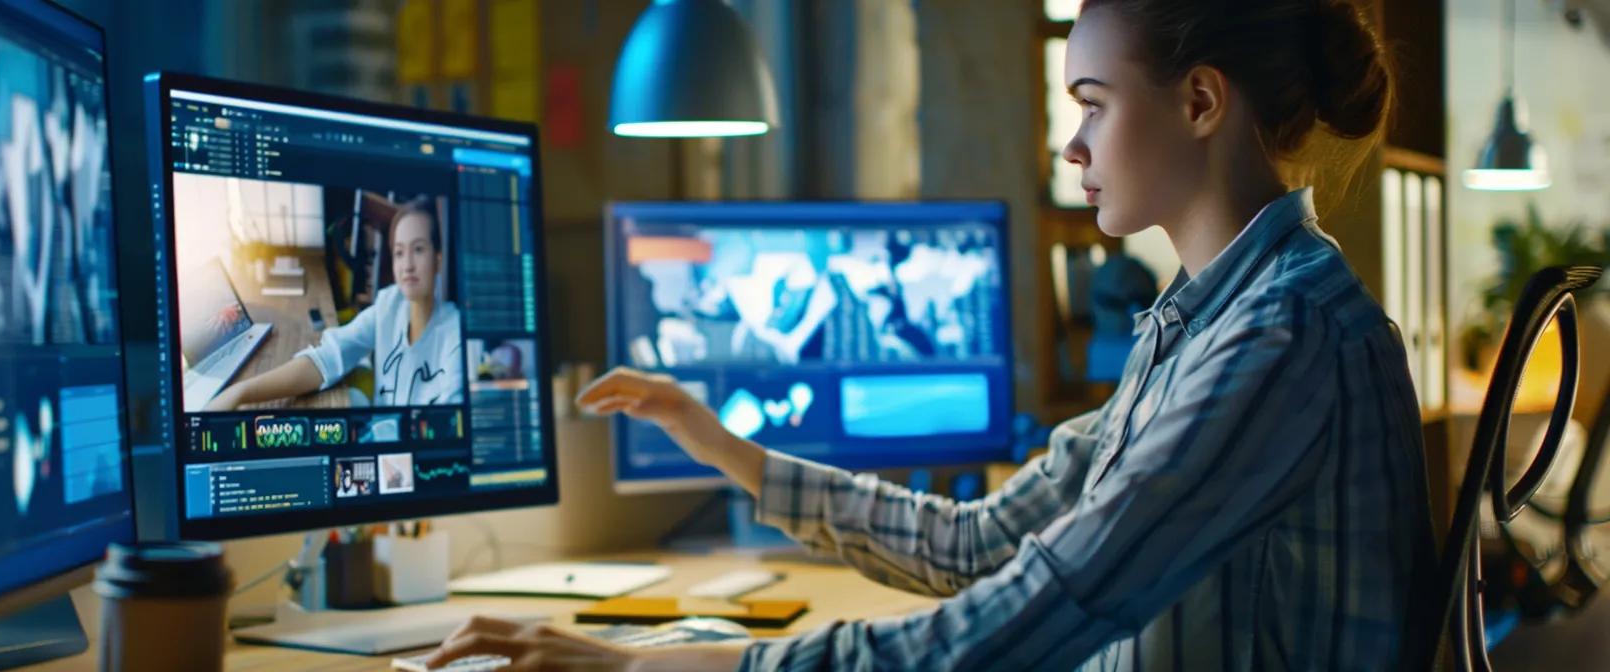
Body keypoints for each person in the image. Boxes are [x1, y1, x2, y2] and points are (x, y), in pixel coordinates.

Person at [426, 0, 1433, 670]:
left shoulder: (1281, 337)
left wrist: (674, 663)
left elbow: (1041, 610)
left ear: (1200, 101)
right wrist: (722, 444)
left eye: (1091, 105)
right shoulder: (1207, 323)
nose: (1068, 142)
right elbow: (986, 543)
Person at [205, 198, 464, 410]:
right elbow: (327, 357)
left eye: (418, 250)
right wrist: (240, 392)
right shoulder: (390, 303)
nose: (407, 265)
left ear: (438, 259)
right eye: (399, 252)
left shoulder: (454, 336)